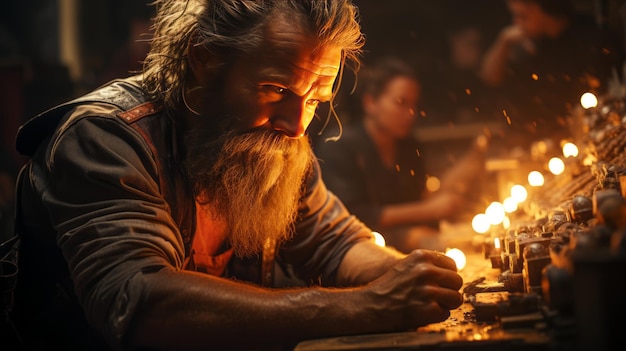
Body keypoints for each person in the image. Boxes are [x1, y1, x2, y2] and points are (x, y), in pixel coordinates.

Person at [10, 1, 464, 350]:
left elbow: (336, 242)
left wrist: (406, 276)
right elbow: (139, 300)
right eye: (278, 89)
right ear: (206, 60)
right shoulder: (104, 137)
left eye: (314, 99)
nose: (297, 124)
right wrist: (363, 307)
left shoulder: (276, 143)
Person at [315, 57, 487, 253]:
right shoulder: (339, 146)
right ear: (370, 103)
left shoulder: (407, 145)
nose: (411, 113)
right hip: (352, 247)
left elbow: (416, 196)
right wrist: (431, 209)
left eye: (414, 105)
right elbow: (354, 214)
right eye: (400, 102)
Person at [479, 0, 623, 146]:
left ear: (540, 7)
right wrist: (504, 41)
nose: (516, 22)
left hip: (599, 138)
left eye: (522, 15)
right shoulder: (532, 43)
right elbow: (490, 77)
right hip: (547, 144)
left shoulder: (592, 37)